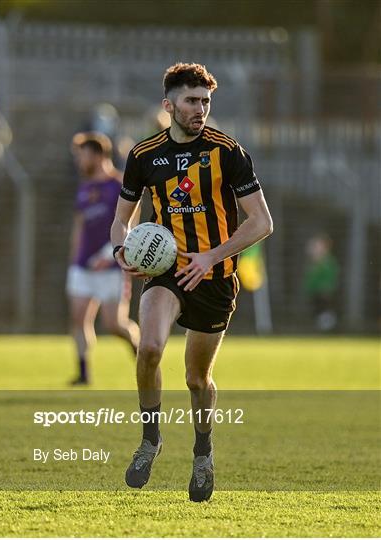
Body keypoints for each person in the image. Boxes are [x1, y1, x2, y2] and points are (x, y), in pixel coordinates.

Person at [111, 63, 273, 501]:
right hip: (165, 273)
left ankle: (203, 450)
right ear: (169, 106)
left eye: (205, 101)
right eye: (191, 101)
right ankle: (150, 439)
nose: (200, 108)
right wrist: (121, 251)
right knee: (148, 349)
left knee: (197, 381)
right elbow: (121, 221)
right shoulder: (143, 156)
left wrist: (210, 257)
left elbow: (261, 222)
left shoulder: (228, 152)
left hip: (216, 275)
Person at [67, 132, 140, 385]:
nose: (79, 161)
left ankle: (141, 354)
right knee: (78, 319)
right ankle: (83, 373)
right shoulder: (84, 188)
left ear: (98, 155)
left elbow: (131, 226)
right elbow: (79, 226)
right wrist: (75, 258)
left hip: (112, 266)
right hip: (83, 266)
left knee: (114, 325)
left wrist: (109, 255)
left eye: (83, 155)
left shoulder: (120, 185)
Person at [304, 233, 339, 332]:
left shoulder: (327, 262)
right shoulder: (314, 262)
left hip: (323, 293)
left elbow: (329, 278)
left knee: (324, 312)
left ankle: (328, 330)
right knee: (316, 313)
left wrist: (327, 289)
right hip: (314, 292)